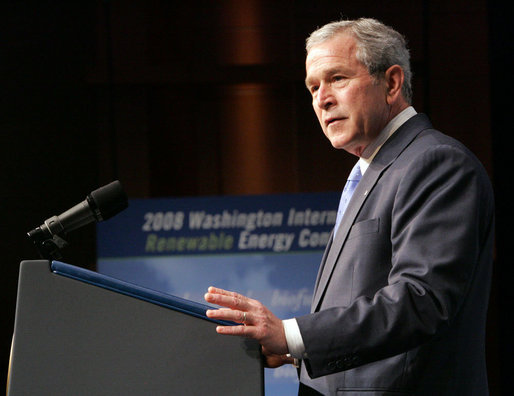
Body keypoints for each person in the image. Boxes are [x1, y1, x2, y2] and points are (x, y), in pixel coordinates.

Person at [205, 18, 494, 395]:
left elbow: (421, 301)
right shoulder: (372, 170)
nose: (321, 99)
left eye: (337, 78)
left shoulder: (435, 162)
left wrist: (292, 334)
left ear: (391, 83)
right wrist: (294, 351)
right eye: (313, 86)